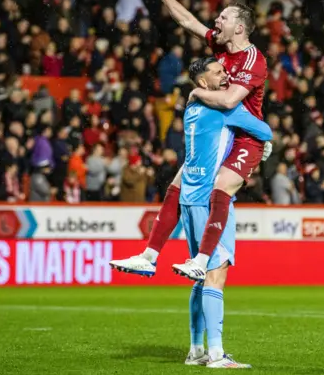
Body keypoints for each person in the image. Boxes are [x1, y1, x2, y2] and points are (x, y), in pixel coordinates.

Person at [112, 57, 271, 368]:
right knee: (217, 273)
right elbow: (262, 128)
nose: (226, 76)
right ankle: (216, 354)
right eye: (218, 73)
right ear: (202, 83)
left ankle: (196, 350)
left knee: (201, 279)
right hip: (209, 202)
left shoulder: (193, 109)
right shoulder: (224, 108)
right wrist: (262, 143)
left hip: (188, 199)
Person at [112, 0, 269, 282]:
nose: (216, 20)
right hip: (220, 133)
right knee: (179, 182)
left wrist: (195, 93)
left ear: (239, 27)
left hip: (244, 137)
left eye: (223, 17)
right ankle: (149, 256)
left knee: (221, 187)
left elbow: (229, 100)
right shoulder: (221, 47)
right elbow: (188, 21)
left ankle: (201, 260)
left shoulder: (253, 59)